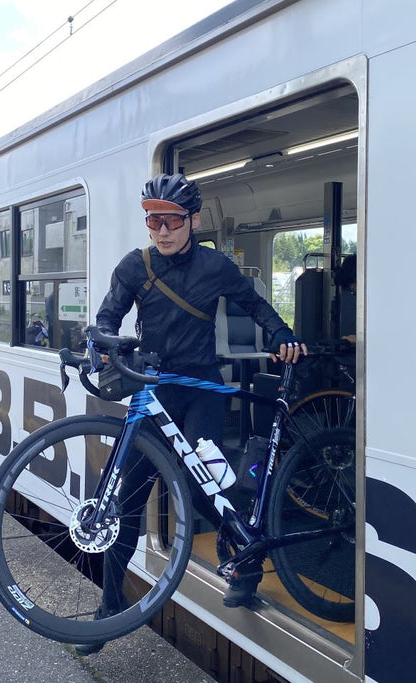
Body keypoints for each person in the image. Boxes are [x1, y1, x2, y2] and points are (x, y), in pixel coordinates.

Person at [77, 173, 305, 655]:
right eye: (152, 220)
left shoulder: (216, 267)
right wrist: (101, 343)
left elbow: (256, 306)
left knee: (212, 489)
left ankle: (246, 567)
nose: (161, 230)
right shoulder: (134, 267)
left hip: (201, 392)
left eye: (171, 220)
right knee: (126, 503)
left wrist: (283, 336)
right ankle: (108, 608)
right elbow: (106, 318)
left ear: (194, 220)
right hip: (152, 393)